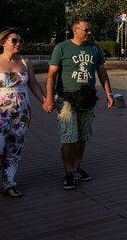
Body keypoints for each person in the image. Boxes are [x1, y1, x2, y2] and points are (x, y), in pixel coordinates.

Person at [0, 28, 47, 198]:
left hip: (21, 112)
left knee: (15, 148)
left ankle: (9, 184)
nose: (18, 43)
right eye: (14, 40)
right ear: (4, 42)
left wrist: (45, 101)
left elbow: (34, 84)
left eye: (20, 41)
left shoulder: (25, 62)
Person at [43, 18, 114, 190]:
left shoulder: (94, 48)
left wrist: (108, 93)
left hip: (87, 99)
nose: (90, 33)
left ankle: (76, 168)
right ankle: (68, 172)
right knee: (69, 136)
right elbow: (52, 74)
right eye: (86, 30)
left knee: (83, 135)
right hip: (66, 98)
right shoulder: (62, 48)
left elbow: (102, 72)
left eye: (90, 30)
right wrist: (49, 97)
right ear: (75, 30)